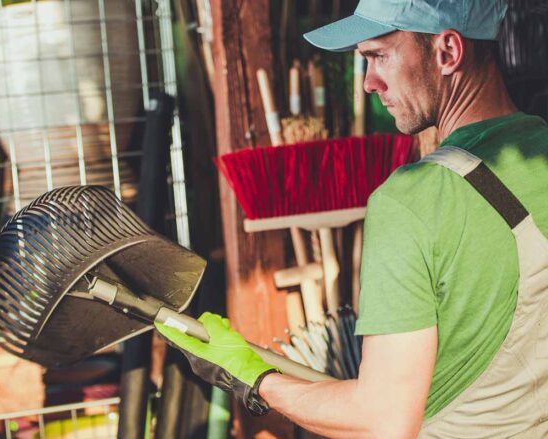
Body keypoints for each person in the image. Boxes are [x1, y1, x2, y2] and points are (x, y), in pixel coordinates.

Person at [157, 0, 548, 437]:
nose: (368, 83)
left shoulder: (412, 200)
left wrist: (253, 376)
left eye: (379, 56)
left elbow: (381, 420)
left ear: (448, 52)